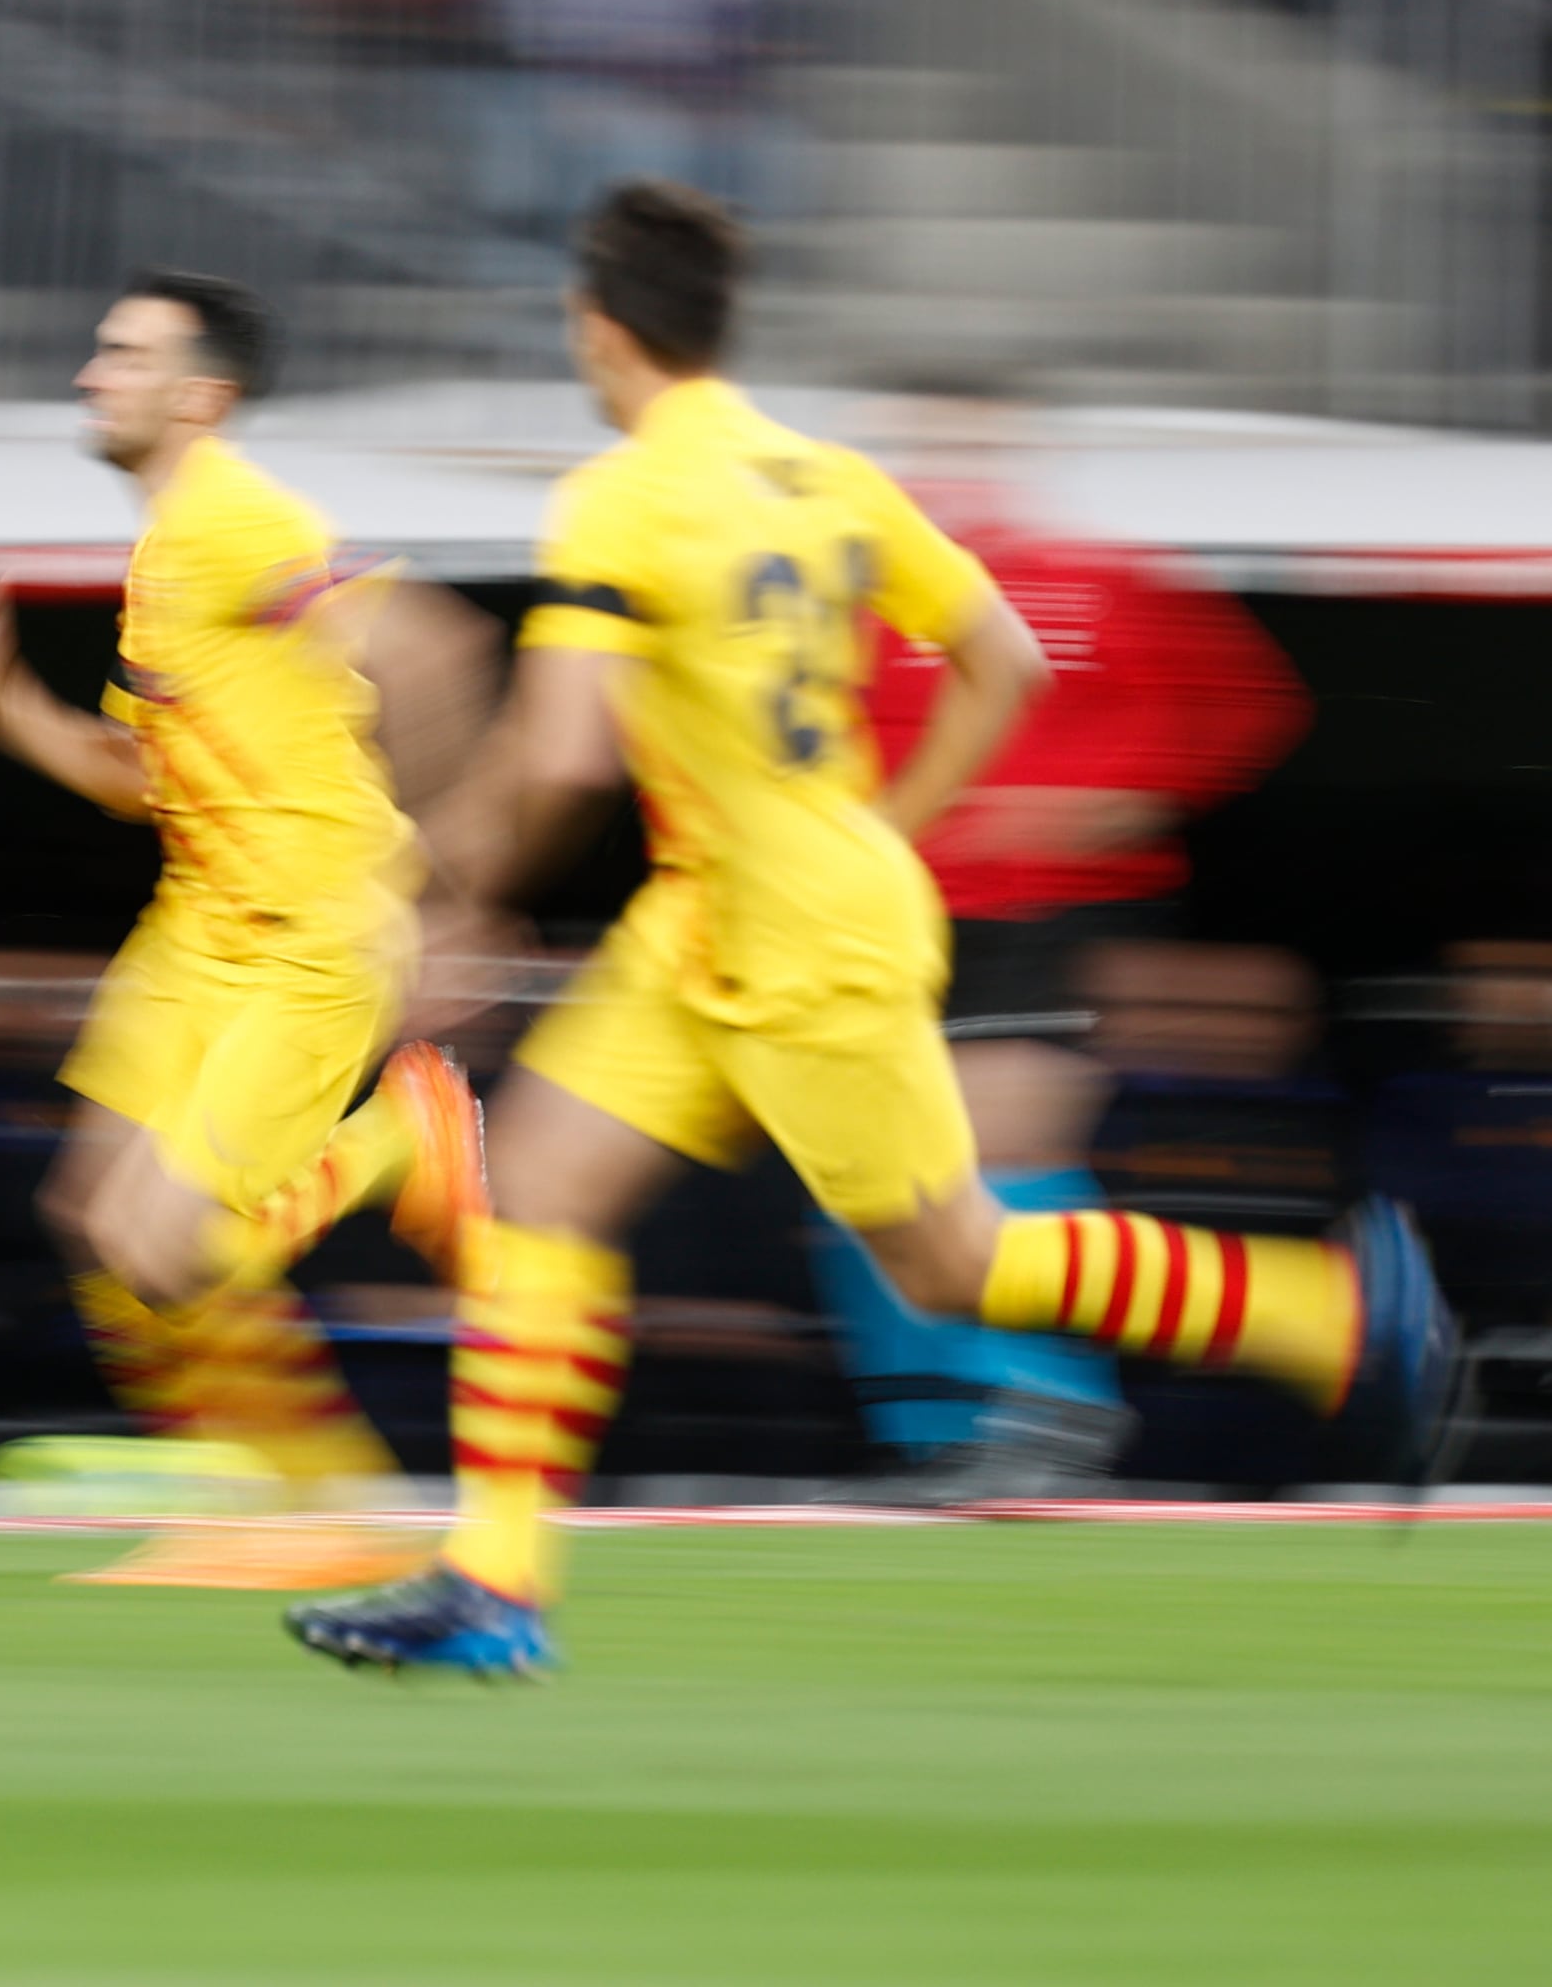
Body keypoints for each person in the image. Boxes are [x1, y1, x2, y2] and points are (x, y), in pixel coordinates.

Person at [286, 183, 1458, 1678]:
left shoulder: (623, 493)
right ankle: (494, 1583)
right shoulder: (824, 474)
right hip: (719, 915)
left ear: (597, 327)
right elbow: (1004, 659)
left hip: (784, 937)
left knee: (953, 1261)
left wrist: (451, 878)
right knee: (533, 1194)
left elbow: (566, 749)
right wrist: (885, 821)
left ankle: (1333, 1310)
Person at [0, 272, 499, 1591]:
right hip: (200, 921)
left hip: (307, 931)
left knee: (160, 1244)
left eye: (122, 354)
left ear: (199, 395)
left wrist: (451, 892)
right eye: (96, 349)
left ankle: (400, 1134)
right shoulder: (171, 552)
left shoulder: (234, 518)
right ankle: (297, 1500)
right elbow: (133, 770)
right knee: (90, 1219)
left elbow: (431, 650)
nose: (90, 374)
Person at [805, 384, 1312, 1502]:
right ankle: (941, 1430)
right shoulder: (857, 595)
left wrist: (1121, 801)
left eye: (967, 433)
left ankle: (1053, 1402)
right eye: (924, 437)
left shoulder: (1095, 574)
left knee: (998, 1154)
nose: (945, 459)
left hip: (1046, 911)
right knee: (861, 1174)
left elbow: (1251, 705)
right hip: (892, 916)